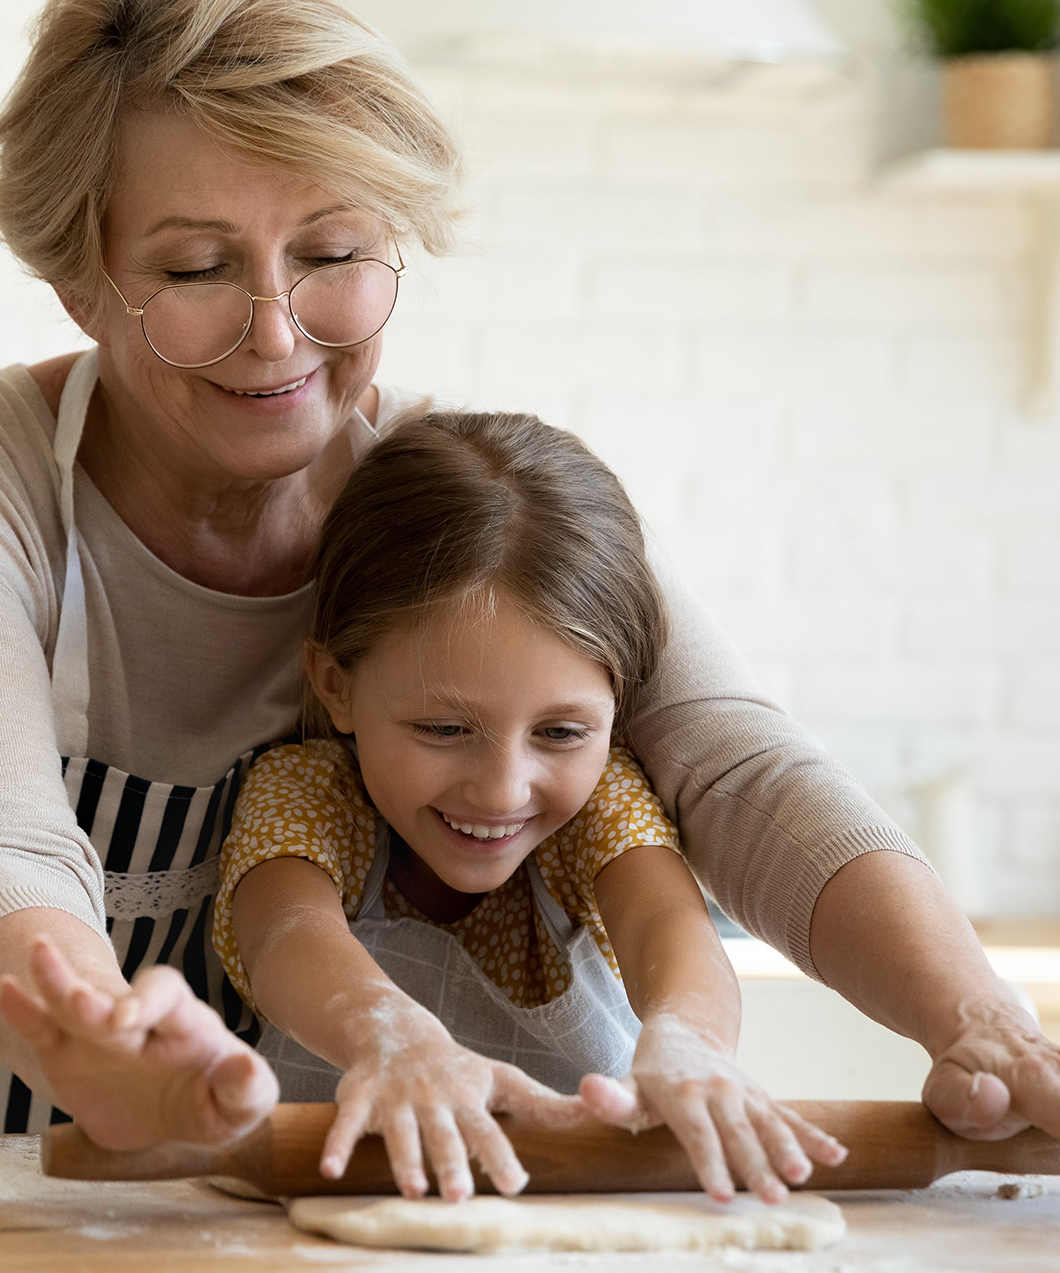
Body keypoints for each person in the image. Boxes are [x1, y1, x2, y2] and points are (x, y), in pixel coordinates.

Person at [0, 0, 1060, 1182]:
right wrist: (91, 1031)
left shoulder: (449, 508)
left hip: (229, 1193)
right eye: (195, 268)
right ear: (80, 280)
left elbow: (736, 764)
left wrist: (984, 1024)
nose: (276, 331)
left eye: (333, 257)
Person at [213, 409, 848, 1204]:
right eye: (443, 728)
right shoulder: (310, 796)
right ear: (336, 684)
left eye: (560, 731)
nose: (503, 789)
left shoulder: (596, 807)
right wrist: (394, 1039)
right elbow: (285, 935)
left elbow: (668, 927)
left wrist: (691, 1044)